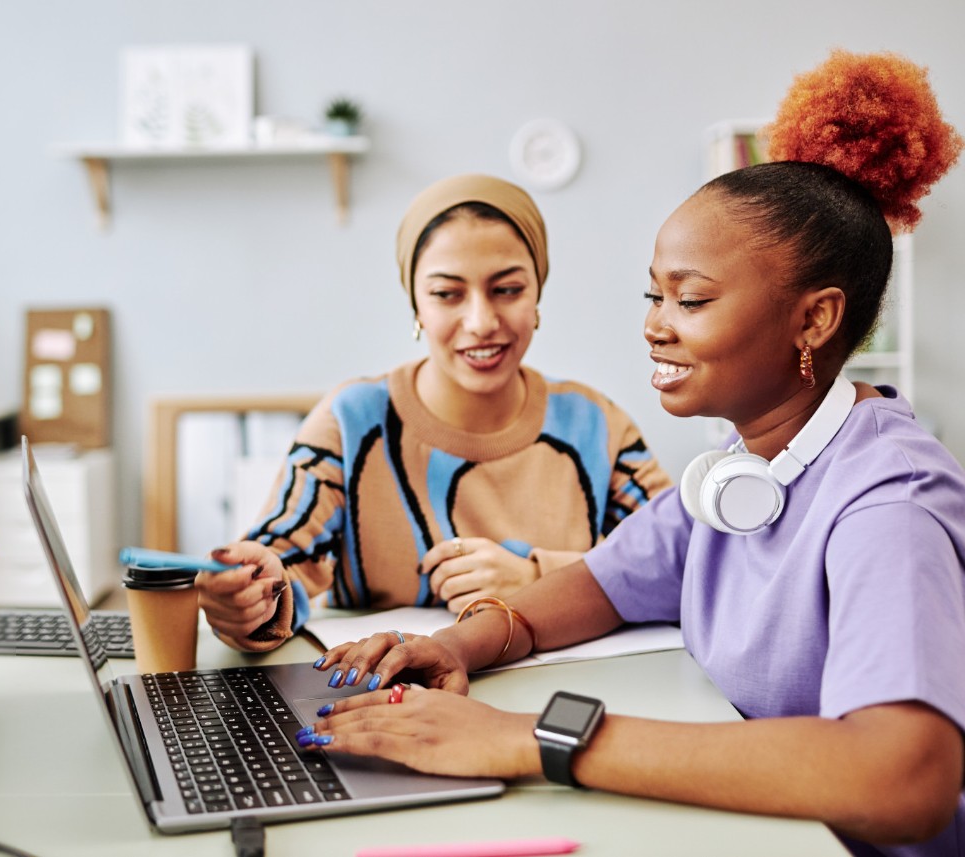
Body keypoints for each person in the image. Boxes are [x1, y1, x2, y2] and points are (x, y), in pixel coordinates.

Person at [299, 50, 965, 857]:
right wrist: (452, 646)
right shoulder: (743, 465)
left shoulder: (888, 504)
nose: (656, 324)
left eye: (691, 299)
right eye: (654, 294)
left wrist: (527, 737)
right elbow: (599, 586)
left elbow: (904, 780)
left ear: (815, 320)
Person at [197, 174, 671, 653]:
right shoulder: (353, 421)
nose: (482, 322)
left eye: (507, 289)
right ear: (416, 305)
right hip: (381, 703)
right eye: (448, 294)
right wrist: (247, 600)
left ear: (537, 295)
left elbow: (689, 569)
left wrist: (537, 578)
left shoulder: (595, 425)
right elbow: (279, 567)